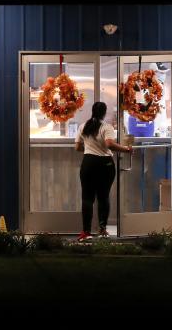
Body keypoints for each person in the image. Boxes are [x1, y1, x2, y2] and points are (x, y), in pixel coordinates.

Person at [74, 101, 133, 242]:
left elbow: (77, 147)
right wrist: (127, 149)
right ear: (104, 113)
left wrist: (89, 150)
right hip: (104, 165)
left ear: (92, 111)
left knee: (87, 198)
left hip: (88, 163)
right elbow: (109, 144)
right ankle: (102, 229)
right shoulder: (106, 127)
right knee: (103, 197)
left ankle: (86, 232)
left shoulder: (84, 126)